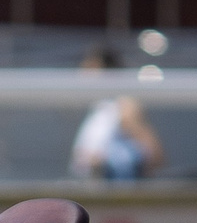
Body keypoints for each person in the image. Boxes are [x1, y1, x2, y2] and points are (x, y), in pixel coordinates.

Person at [70, 51, 165, 180]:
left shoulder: (124, 105)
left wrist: (105, 162)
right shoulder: (99, 106)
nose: (83, 73)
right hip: (91, 185)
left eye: (90, 68)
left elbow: (154, 154)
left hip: (114, 187)